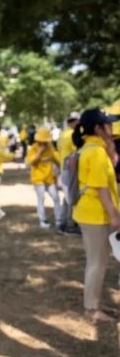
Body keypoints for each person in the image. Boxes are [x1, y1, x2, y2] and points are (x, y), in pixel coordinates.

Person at [72, 108, 120, 322]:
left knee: (98, 261)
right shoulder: (96, 152)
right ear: (98, 128)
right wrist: (115, 215)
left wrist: (109, 144)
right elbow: (101, 188)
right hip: (95, 215)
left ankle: (95, 304)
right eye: (108, 124)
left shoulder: (92, 148)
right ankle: (91, 309)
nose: (112, 127)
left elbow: (111, 168)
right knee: (97, 263)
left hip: (90, 213)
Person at [27, 127, 62, 229]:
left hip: (49, 178)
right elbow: (32, 162)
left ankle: (58, 219)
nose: (45, 143)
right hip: (38, 179)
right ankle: (42, 220)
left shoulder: (50, 148)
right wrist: (39, 152)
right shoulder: (33, 148)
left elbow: (56, 159)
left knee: (56, 198)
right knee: (41, 199)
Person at [57, 111, 81, 236]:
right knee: (71, 196)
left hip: (64, 165)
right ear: (75, 121)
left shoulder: (62, 134)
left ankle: (62, 222)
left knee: (66, 195)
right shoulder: (71, 134)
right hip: (71, 167)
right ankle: (70, 225)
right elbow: (78, 150)